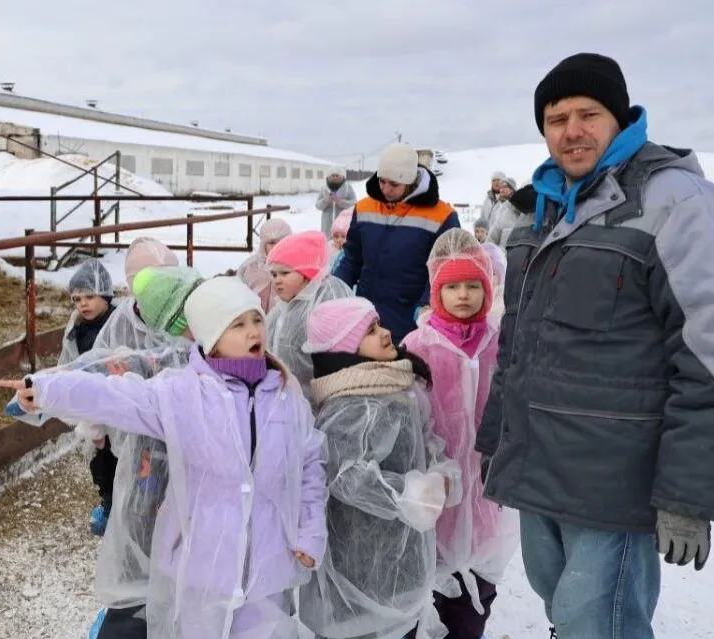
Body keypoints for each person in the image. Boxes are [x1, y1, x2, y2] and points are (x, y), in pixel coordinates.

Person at [476, 52, 714, 639]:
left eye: (589, 113)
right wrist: (495, 441)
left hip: (617, 480)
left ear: (620, 118)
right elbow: (519, 343)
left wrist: (687, 493)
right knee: (561, 608)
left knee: (597, 624)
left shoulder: (672, 200)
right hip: (541, 465)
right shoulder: (548, 206)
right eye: (557, 119)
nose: (572, 130)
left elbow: (705, 355)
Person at [0, 276, 327, 639]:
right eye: (238, 324)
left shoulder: (285, 395)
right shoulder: (183, 394)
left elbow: (309, 465)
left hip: (267, 576)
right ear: (212, 338)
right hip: (201, 571)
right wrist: (47, 389)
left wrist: (310, 532)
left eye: (256, 320)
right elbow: (113, 396)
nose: (254, 331)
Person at [297, 297, 460, 639]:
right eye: (370, 331)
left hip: (399, 565)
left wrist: (441, 473)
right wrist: (408, 495)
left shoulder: (395, 385)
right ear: (345, 349)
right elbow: (345, 475)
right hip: (358, 571)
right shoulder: (352, 404)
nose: (385, 333)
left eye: (378, 323)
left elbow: (425, 441)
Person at [401, 229, 519, 639]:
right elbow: (408, 418)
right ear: (437, 290)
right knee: (428, 595)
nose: (464, 295)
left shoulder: (499, 344)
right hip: (438, 493)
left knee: (477, 599)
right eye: (452, 286)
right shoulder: (418, 346)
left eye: (473, 285)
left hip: (488, 492)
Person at [81, 260, 199, 639]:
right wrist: (45, 390)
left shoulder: (202, 354)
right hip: (155, 482)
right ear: (181, 318)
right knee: (150, 565)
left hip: (188, 497)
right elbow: (98, 373)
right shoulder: (167, 362)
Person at [334, 142, 461, 344]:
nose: (385, 189)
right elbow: (352, 258)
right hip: (366, 321)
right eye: (382, 181)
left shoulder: (442, 216)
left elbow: (444, 270)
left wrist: (425, 306)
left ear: (410, 181)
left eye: (394, 184)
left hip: (410, 322)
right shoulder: (365, 207)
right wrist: (334, 290)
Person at [58, 258, 120, 535]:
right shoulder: (77, 328)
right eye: (77, 298)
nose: (83, 304)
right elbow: (68, 361)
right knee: (102, 457)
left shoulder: (119, 322)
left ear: (105, 294)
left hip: (119, 402)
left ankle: (131, 508)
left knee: (126, 457)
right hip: (93, 405)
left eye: (90, 296)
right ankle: (108, 503)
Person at [265, 230, 354, 406]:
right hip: (286, 403)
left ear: (307, 274)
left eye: (285, 273)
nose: (277, 281)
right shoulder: (281, 310)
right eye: (274, 275)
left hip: (321, 404)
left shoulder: (327, 298)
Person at [236, 218, 293, 313]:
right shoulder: (250, 267)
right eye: (271, 243)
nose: (276, 247)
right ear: (263, 245)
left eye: (281, 242)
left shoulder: (297, 269)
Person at [316, 168, 357, 237]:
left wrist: (340, 201)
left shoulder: (348, 187)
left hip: (343, 224)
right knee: (328, 245)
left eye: (337, 175)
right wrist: (326, 201)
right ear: (328, 177)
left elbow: (354, 203)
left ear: (341, 176)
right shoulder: (324, 188)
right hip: (327, 227)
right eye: (332, 176)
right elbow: (317, 205)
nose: (334, 177)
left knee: (342, 245)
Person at [329, 207, 354, 274]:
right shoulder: (330, 249)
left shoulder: (352, 252)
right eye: (336, 236)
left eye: (343, 236)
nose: (339, 240)